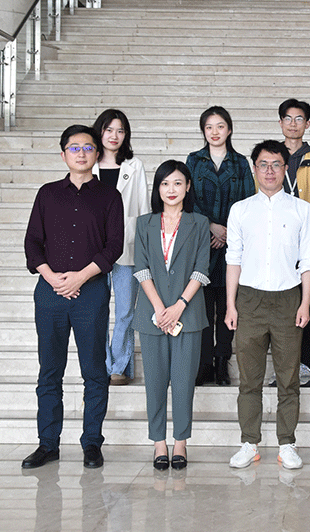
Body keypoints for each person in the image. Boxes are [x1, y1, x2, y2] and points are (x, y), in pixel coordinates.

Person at [22, 125, 124, 469]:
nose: (81, 153)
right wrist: (52, 277)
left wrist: (80, 276)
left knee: (94, 371)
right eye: (74, 147)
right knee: (49, 371)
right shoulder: (48, 194)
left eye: (88, 147)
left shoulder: (109, 196)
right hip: (49, 292)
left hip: (90, 292)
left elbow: (114, 246)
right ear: (63, 153)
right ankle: (47, 444)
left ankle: (92, 443)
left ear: (97, 153)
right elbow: (32, 242)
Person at [224, 140, 310, 471]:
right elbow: (233, 258)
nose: (269, 171)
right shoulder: (241, 210)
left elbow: (309, 260)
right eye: (263, 164)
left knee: (288, 378)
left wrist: (306, 304)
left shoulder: (301, 210)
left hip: (288, 299)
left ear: (285, 168)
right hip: (249, 299)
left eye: (276, 164)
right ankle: (249, 443)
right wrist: (231, 304)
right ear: (254, 169)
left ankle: (287, 444)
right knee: (249, 379)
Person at [131, 160, 210, 470]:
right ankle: (158, 443)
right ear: (158, 189)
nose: (171, 189)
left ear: (188, 187)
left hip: (187, 315)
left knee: (183, 382)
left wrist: (178, 306)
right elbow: (141, 268)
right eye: (165, 183)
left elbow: (201, 269)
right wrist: (159, 308)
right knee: (154, 382)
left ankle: (180, 442)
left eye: (178, 183)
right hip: (152, 315)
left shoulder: (199, 223)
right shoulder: (144, 223)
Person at [186, 106, 255, 386]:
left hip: (232, 246)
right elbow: (187, 199)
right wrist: (210, 226)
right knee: (203, 308)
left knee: (228, 305)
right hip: (201, 245)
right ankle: (204, 364)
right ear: (203, 131)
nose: (215, 132)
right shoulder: (194, 160)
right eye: (209, 127)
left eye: (220, 126)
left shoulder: (240, 163)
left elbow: (248, 201)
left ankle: (222, 362)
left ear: (229, 129)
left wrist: (226, 232)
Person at [92, 109, 150, 386]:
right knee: (97, 309)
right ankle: (102, 365)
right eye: (109, 129)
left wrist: (146, 248)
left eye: (120, 130)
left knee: (126, 310)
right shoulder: (88, 162)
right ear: (99, 131)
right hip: (94, 250)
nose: (114, 136)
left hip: (127, 247)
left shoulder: (134, 165)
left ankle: (119, 366)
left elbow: (143, 208)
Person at [273, 98, 310, 387]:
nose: (293, 124)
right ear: (280, 122)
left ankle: (304, 364)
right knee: (280, 309)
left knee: (308, 304)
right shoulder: (270, 159)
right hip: (276, 246)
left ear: (307, 124)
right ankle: (281, 367)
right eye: (288, 118)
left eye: (299, 119)